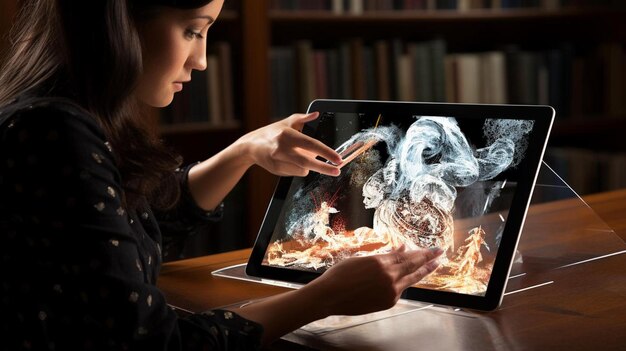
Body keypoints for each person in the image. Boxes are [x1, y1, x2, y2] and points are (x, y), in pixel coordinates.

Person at [0, 0, 444, 349]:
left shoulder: (59, 117)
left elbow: (136, 222)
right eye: (193, 30)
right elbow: (153, 343)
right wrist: (323, 297)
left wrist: (244, 152)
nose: (202, 60)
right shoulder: (54, 133)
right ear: (119, 19)